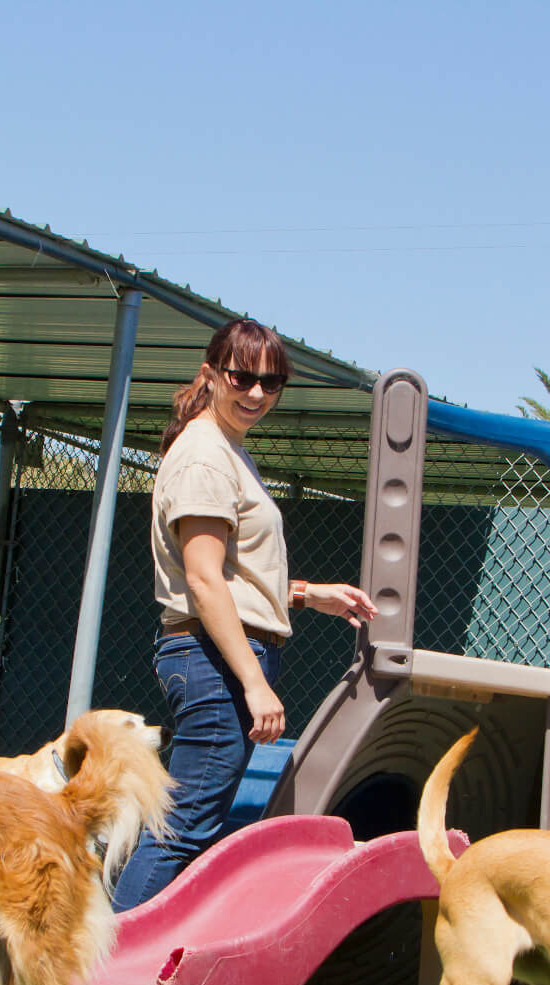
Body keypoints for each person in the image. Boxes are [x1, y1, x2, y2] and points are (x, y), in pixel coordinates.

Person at [109, 319, 376, 911]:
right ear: (210, 375)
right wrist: (254, 684)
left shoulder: (227, 449)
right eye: (241, 377)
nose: (256, 393)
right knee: (185, 830)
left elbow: (231, 577)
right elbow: (203, 581)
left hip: (219, 655)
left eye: (271, 382)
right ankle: (101, 980)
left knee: (187, 825)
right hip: (214, 662)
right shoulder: (205, 456)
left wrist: (308, 594)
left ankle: (120, 970)